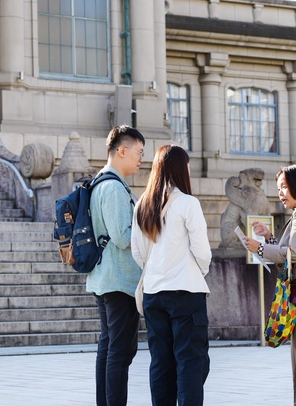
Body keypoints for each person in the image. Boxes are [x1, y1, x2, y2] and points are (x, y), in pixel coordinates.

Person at [242, 163, 296, 406]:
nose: (280, 193)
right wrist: (268, 237)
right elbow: (290, 251)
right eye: (279, 187)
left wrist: (259, 248)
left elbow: (292, 254)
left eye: (284, 187)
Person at [131, 145, 212, 406]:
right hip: (186, 293)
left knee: (161, 363)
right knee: (190, 362)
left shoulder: (142, 205)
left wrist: (158, 269)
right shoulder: (189, 203)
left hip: (154, 294)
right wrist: (197, 271)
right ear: (180, 168)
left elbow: (138, 253)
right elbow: (202, 252)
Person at [87, 125, 146, 406]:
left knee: (109, 348)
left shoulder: (103, 182)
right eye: (138, 152)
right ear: (121, 150)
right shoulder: (112, 187)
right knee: (119, 352)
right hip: (118, 280)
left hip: (105, 277)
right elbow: (123, 237)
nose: (141, 159)